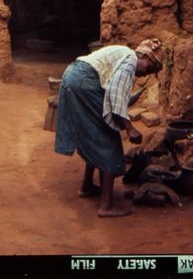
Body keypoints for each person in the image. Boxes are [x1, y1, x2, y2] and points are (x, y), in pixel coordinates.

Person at [54, 38, 164, 217]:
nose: (146, 74)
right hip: (82, 81)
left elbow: (110, 90)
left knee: (95, 131)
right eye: (149, 68)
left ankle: (87, 186)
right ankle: (106, 206)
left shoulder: (124, 56)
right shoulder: (130, 61)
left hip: (73, 77)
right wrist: (129, 128)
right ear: (143, 55)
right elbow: (115, 95)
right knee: (108, 139)